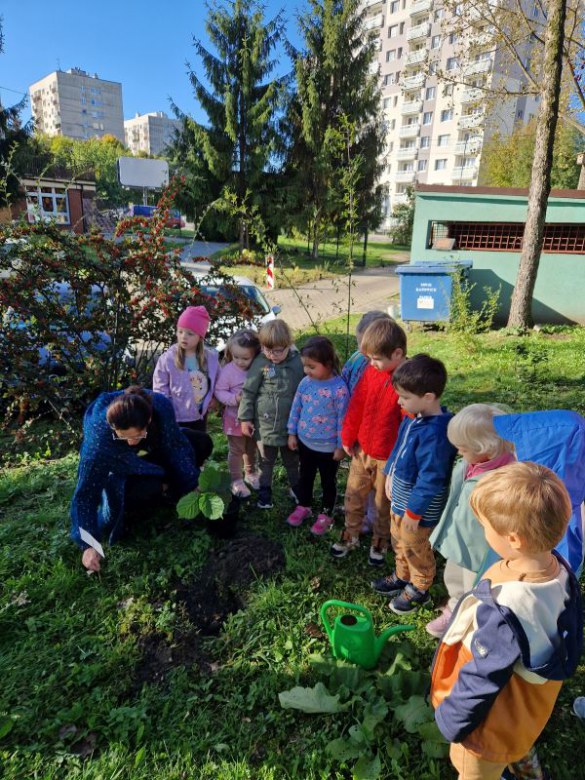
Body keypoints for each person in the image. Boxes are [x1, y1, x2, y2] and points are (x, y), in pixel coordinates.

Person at [431, 462, 583, 780]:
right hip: (528, 706)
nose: (484, 531)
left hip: (488, 727)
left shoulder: (507, 609)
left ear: (514, 539)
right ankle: (526, 770)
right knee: (517, 738)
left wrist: (453, 721)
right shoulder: (560, 569)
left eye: (485, 526)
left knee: (475, 769)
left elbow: (482, 678)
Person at [70, 386, 213, 573]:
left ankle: (171, 487)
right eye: (123, 436)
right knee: (147, 488)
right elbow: (86, 494)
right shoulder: (99, 441)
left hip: (151, 449)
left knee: (201, 442)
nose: (130, 442)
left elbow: (175, 446)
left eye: (136, 435)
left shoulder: (160, 406)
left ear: (149, 420)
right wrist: (87, 544)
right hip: (124, 469)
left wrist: (192, 482)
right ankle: (160, 491)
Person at [371, 354, 457, 613]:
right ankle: (402, 575)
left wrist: (414, 511)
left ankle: (420, 586)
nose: (399, 401)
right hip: (401, 499)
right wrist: (388, 473)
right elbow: (399, 447)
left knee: (416, 545)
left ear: (429, 397)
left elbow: (431, 478)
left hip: (417, 509)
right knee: (399, 539)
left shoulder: (437, 434)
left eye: (405, 397)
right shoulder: (414, 417)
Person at [426, 404, 516, 637]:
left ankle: (473, 621)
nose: (459, 453)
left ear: (484, 448)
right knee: (454, 575)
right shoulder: (471, 463)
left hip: (481, 549)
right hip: (458, 536)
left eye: (463, 449)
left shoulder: (505, 478)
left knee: (476, 585)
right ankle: (454, 607)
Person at [330, 318, 407, 562]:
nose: (371, 364)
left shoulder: (408, 380)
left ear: (397, 353)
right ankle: (350, 533)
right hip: (361, 450)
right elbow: (357, 405)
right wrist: (348, 435)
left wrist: (402, 457)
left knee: (383, 501)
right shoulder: (371, 373)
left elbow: (409, 423)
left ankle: (380, 539)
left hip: (388, 457)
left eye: (376, 359)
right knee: (353, 493)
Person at [238, 319, 305, 510]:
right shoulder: (261, 362)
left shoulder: (297, 362)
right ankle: (265, 491)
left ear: (288, 345)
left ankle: (297, 489)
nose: (272, 355)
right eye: (267, 350)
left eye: (278, 350)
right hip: (265, 426)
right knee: (265, 461)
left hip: (290, 427)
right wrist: (245, 418)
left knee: (292, 460)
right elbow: (249, 391)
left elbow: (306, 390)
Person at [286, 336, 350, 534]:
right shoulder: (305, 383)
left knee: (327, 482)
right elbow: (296, 407)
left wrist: (341, 446)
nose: (307, 371)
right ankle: (304, 505)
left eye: (312, 366)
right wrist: (292, 433)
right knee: (305, 476)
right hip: (305, 443)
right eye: (305, 366)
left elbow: (343, 420)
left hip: (329, 449)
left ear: (328, 364)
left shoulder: (339, 390)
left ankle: (326, 512)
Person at [341, 310, 393, 533]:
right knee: (359, 483)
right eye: (361, 346)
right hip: (360, 433)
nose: (367, 356)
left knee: (377, 489)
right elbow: (348, 392)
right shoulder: (356, 359)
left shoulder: (391, 370)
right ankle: (359, 519)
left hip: (381, 446)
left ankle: (374, 521)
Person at [152, 305, 220, 432]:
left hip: (199, 415)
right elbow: (159, 386)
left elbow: (218, 380)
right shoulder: (168, 359)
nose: (184, 336)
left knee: (197, 448)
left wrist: (215, 398)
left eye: (190, 333)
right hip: (175, 417)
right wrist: (166, 408)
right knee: (178, 448)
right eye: (180, 331)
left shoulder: (210, 359)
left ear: (200, 337)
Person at [214, 329, 261, 498]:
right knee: (236, 449)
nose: (240, 362)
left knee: (251, 447)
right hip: (235, 419)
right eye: (236, 357)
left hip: (254, 418)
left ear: (255, 355)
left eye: (245, 358)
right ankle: (236, 480)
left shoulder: (257, 368)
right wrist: (234, 398)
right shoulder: (228, 371)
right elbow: (219, 391)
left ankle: (251, 473)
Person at [341, 310, 392, 394]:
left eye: (365, 345)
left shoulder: (386, 367)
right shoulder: (356, 358)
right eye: (358, 342)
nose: (361, 350)